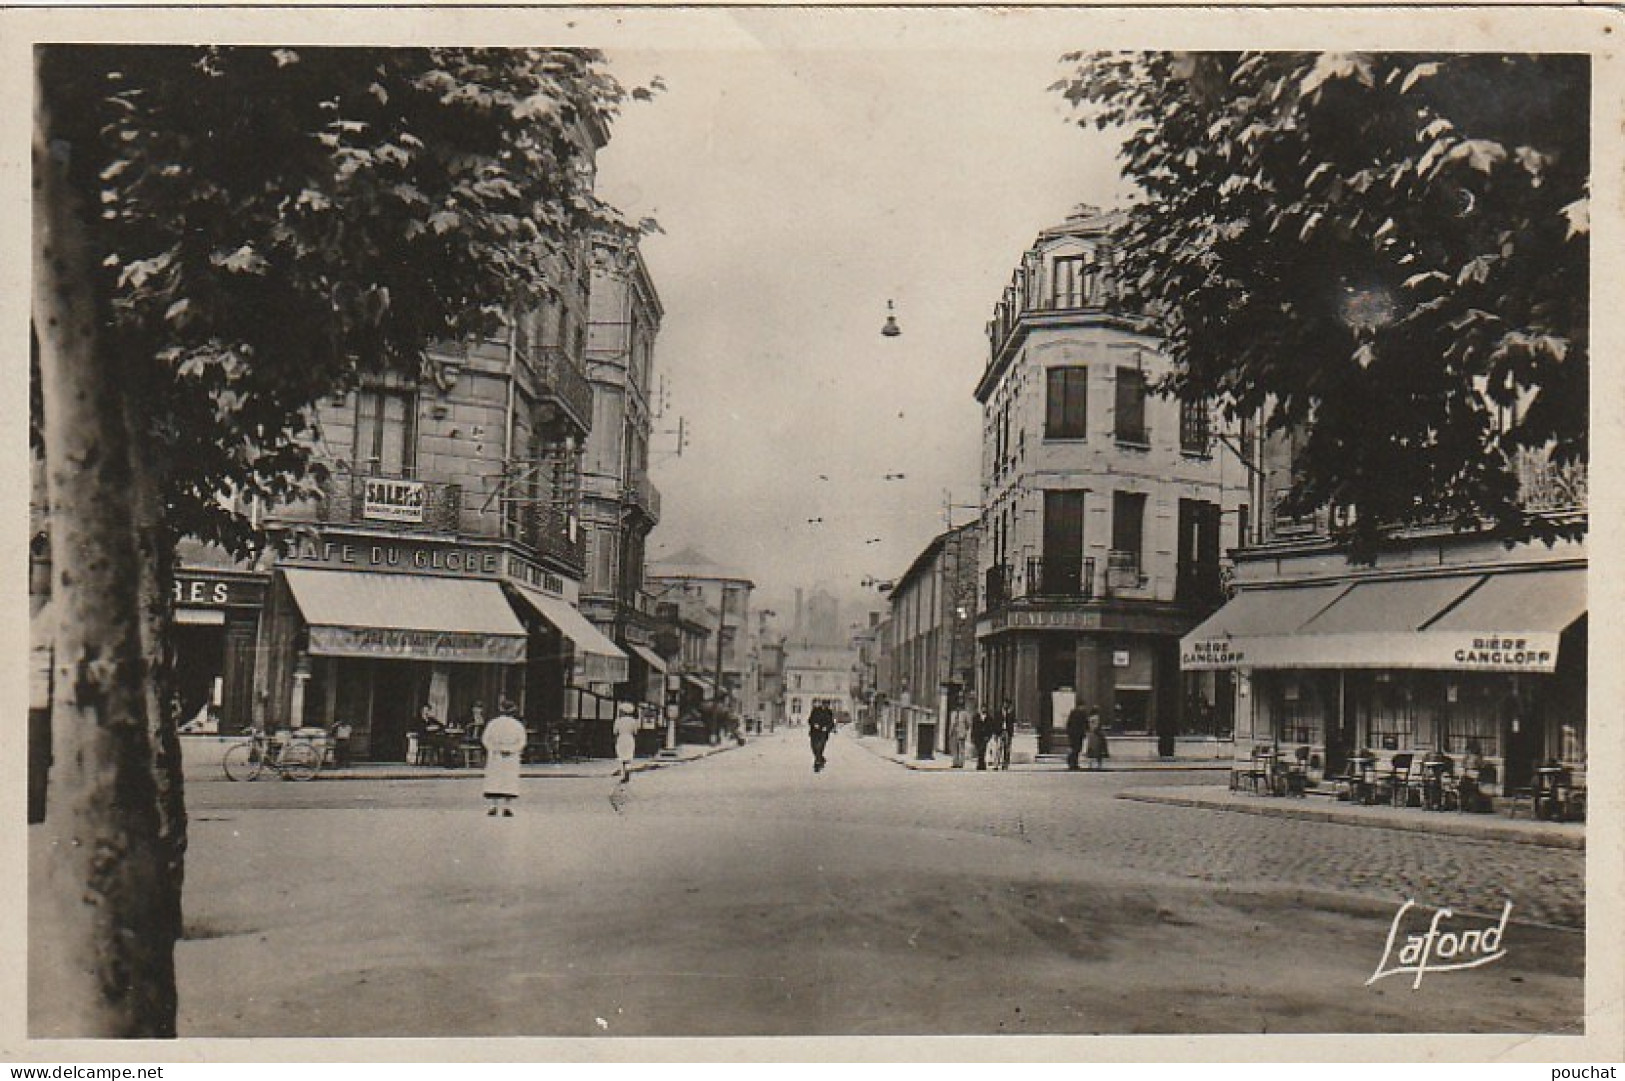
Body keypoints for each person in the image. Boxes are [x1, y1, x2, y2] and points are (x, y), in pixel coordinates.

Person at [480, 697, 526, 816]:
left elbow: (485, 739)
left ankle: (493, 806)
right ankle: (507, 807)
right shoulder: (517, 725)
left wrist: (494, 749)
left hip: (496, 754)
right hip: (510, 755)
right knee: (508, 780)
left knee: (494, 779)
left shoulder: (493, 724)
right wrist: (511, 750)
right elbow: (522, 741)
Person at [613, 702, 639, 784]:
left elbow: (615, 731)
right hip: (629, 739)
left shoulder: (618, 721)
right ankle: (627, 773)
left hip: (621, 738)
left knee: (622, 757)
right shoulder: (633, 721)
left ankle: (624, 773)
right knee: (628, 757)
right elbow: (635, 732)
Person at [808, 701, 837, 772]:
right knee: (813, 747)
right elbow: (810, 720)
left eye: (827, 705)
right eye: (824, 704)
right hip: (814, 732)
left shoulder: (829, 712)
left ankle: (817, 764)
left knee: (820, 747)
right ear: (822, 704)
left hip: (823, 733)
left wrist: (827, 727)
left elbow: (832, 723)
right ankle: (821, 759)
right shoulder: (815, 710)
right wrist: (814, 724)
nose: (825, 706)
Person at [1065, 701, 1090, 771]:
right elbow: (1085, 723)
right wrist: (1086, 730)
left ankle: (1072, 762)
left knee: (1074, 748)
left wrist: (1069, 732)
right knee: (1077, 749)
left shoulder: (1073, 712)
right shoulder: (1083, 713)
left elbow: (1068, 723)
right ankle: (1073, 762)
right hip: (1079, 734)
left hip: (1072, 734)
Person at [999, 701, 1017, 770]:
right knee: (1000, 748)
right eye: (1004, 704)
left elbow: (1013, 721)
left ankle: (1006, 763)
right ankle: (999, 762)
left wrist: (1010, 713)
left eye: (1006, 704)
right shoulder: (1000, 713)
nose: (1005, 705)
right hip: (1001, 731)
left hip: (1008, 732)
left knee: (1007, 749)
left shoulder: (1010, 713)